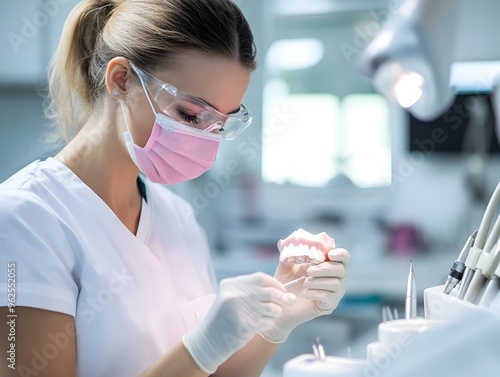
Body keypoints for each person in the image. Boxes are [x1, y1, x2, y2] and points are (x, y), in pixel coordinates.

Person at [0, 0, 350, 376]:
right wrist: (201, 348)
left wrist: (276, 321)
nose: (204, 140)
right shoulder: (25, 219)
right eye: (190, 114)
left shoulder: (178, 218)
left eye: (219, 124)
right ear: (122, 80)